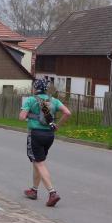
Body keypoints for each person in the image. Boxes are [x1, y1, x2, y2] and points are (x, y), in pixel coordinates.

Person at [19, 79, 71, 207]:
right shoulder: (53, 100)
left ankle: (52, 193)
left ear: (35, 88)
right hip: (49, 135)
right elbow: (67, 113)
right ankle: (34, 190)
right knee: (38, 161)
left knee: (40, 163)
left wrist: (29, 114)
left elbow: (21, 117)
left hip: (35, 134)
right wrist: (57, 125)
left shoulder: (31, 100)